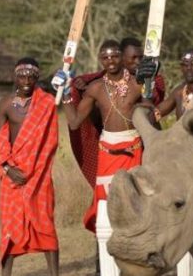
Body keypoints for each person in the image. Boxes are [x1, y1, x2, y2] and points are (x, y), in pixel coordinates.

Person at [52, 39, 153, 232]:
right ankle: (104, 253)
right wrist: (65, 92)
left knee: (135, 199)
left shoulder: (136, 82)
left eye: (115, 56)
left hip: (134, 148)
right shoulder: (96, 88)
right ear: (100, 60)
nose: (111, 61)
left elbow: (149, 108)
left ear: (122, 58)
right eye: (105, 57)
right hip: (107, 151)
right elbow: (74, 122)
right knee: (106, 202)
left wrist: (148, 83)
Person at [0, 58, 59, 276]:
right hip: (12, 176)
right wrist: (8, 169)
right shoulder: (6, 103)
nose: (26, 80)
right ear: (14, 77)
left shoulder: (47, 102)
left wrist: (65, 87)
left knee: (45, 223)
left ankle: (54, 273)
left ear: (37, 78)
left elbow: (51, 141)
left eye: (31, 76)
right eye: (22, 75)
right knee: (10, 226)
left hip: (39, 176)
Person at [151, 49, 193, 122]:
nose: (189, 68)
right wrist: (148, 81)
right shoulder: (179, 93)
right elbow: (155, 115)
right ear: (181, 67)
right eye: (185, 65)